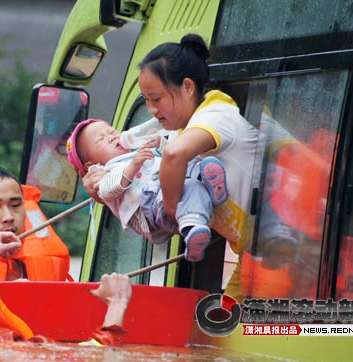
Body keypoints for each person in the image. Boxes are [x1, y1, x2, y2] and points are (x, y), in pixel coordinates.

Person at [82, 34, 259, 298]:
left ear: (187, 87)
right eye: (146, 101)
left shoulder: (216, 113)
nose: (152, 109)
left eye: (157, 99)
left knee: (229, 330)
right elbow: (156, 222)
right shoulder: (179, 132)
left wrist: (172, 207)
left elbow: (174, 156)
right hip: (255, 253)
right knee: (224, 330)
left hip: (281, 240)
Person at [0, 166, 133, 346]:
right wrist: (116, 306)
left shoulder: (47, 269)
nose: (8, 216)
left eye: (16, 205)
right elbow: (98, 357)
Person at [66, 118, 228, 261]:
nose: (112, 137)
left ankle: (196, 225)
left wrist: (160, 144)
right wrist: (133, 166)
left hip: (167, 191)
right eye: (102, 139)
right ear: (90, 164)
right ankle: (195, 218)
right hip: (147, 206)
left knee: (191, 183)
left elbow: (170, 157)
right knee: (162, 188)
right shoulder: (104, 171)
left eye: (112, 131)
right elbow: (109, 190)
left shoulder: (137, 152)